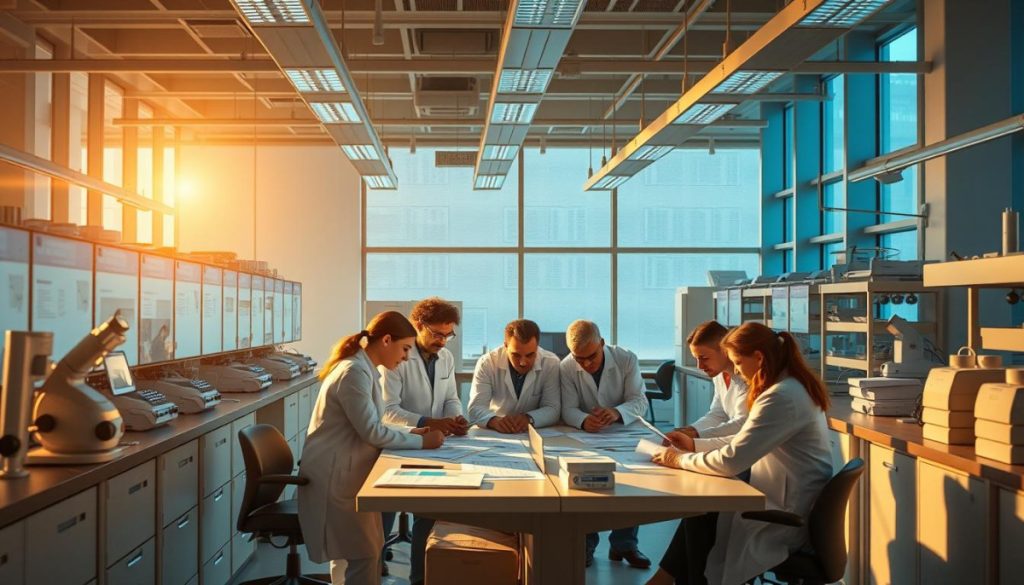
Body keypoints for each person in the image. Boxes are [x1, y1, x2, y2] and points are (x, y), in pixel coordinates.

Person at [647, 322, 833, 585]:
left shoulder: (781, 396)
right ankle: (666, 581)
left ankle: (666, 581)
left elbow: (732, 460)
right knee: (701, 515)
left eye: (737, 362)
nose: (735, 370)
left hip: (785, 515)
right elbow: (747, 439)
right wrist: (693, 445)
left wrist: (678, 459)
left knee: (701, 516)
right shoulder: (789, 386)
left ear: (758, 357)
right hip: (782, 498)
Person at [297, 311, 445, 585]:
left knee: (348, 553)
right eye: (404, 349)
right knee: (364, 554)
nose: (406, 357)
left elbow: (370, 423)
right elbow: (372, 431)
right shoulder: (354, 372)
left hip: (342, 470)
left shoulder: (362, 368)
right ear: (386, 340)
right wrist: (424, 441)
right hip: (336, 477)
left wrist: (411, 431)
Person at [380, 297, 468, 584]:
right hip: (399, 444)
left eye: (448, 334)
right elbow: (388, 411)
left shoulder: (446, 358)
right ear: (418, 326)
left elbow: (451, 398)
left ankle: (420, 579)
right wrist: (429, 423)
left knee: (428, 512)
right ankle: (375, 563)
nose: (443, 341)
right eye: (437, 334)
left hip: (435, 446)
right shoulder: (397, 357)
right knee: (384, 511)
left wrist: (455, 419)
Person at [560, 319, 650, 569]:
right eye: (580, 359)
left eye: (591, 356)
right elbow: (567, 408)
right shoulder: (567, 366)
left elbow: (639, 401)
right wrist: (582, 420)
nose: (586, 364)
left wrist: (616, 412)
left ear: (602, 343)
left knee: (630, 484)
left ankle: (624, 545)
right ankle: (587, 545)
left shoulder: (626, 358)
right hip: (587, 436)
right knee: (586, 485)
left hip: (624, 431)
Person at [468, 319, 561, 432]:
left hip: (535, 431)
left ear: (537, 347)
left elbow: (553, 409)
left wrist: (528, 418)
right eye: (516, 355)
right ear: (506, 346)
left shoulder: (550, 363)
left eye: (530, 355)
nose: (523, 362)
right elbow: (476, 407)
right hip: (497, 432)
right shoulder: (487, 363)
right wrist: (494, 421)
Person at [675, 321, 749, 452]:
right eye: (696, 359)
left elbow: (742, 423)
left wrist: (696, 436)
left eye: (704, 358)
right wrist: (691, 430)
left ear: (725, 351)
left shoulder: (747, 376)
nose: (699, 366)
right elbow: (718, 414)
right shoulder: (719, 375)